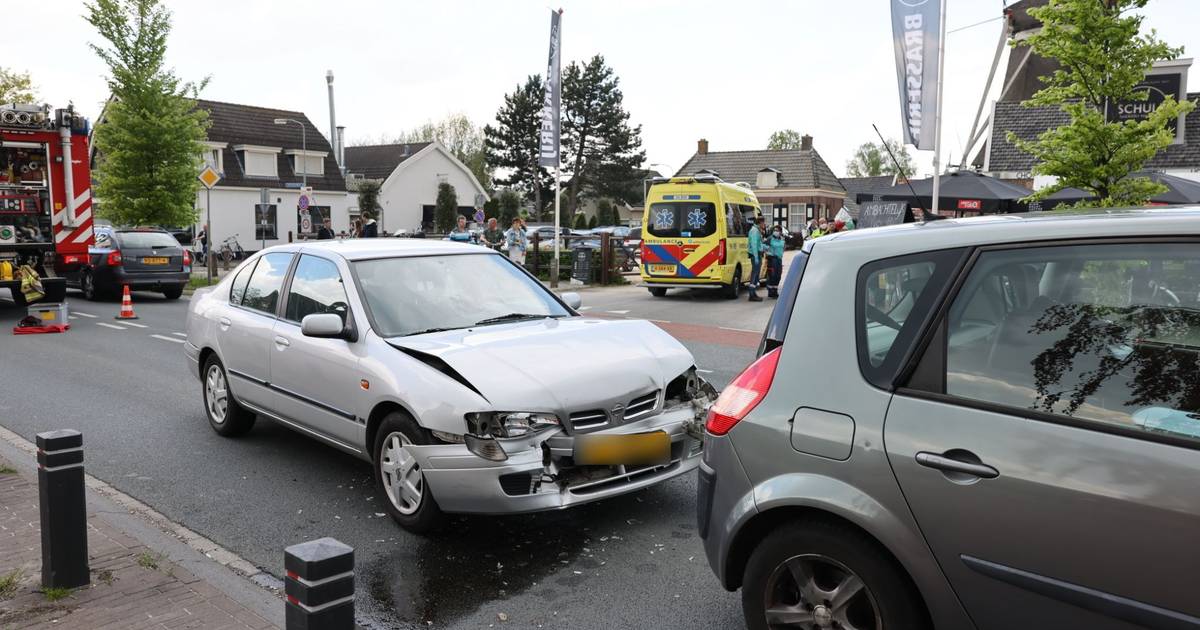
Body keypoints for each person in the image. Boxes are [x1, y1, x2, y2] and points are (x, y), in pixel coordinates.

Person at [746, 216, 765, 302]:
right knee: (754, 274)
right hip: (755, 255)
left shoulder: (756, 230)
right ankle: (752, 294)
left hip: (757, 254)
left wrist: (764, 247)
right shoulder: (754, 231)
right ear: (760, 223)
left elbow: (758, 244)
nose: (764, 224)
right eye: (763, 223)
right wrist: (756, 257)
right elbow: (754, 245)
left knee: (756, 275)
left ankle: (753, 294)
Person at [765, 224, 786, 299]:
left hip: (779, 259)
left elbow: (783, 247)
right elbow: (764, 247)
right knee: (772, 275)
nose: (776, 232)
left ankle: (775, 290)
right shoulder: (769, 239)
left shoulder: (782, 239)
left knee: (778, 275)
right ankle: (770, 291)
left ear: (780, 232)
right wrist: (769, 254)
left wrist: (780, 254)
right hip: (772, 259)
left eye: (777, 230)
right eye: (775, 230)